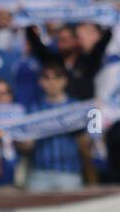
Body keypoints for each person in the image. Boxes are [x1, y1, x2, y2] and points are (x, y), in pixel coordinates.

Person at [18, 59, 95, 191]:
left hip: (69, 173)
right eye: (47, 78)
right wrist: (25, 139)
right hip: (40, 174)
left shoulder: (77, 108)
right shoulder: (33, 110)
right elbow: (25, 146)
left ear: (64, 81)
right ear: (40, 82)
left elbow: (88, 141)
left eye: (56, 78)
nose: (52, 82)